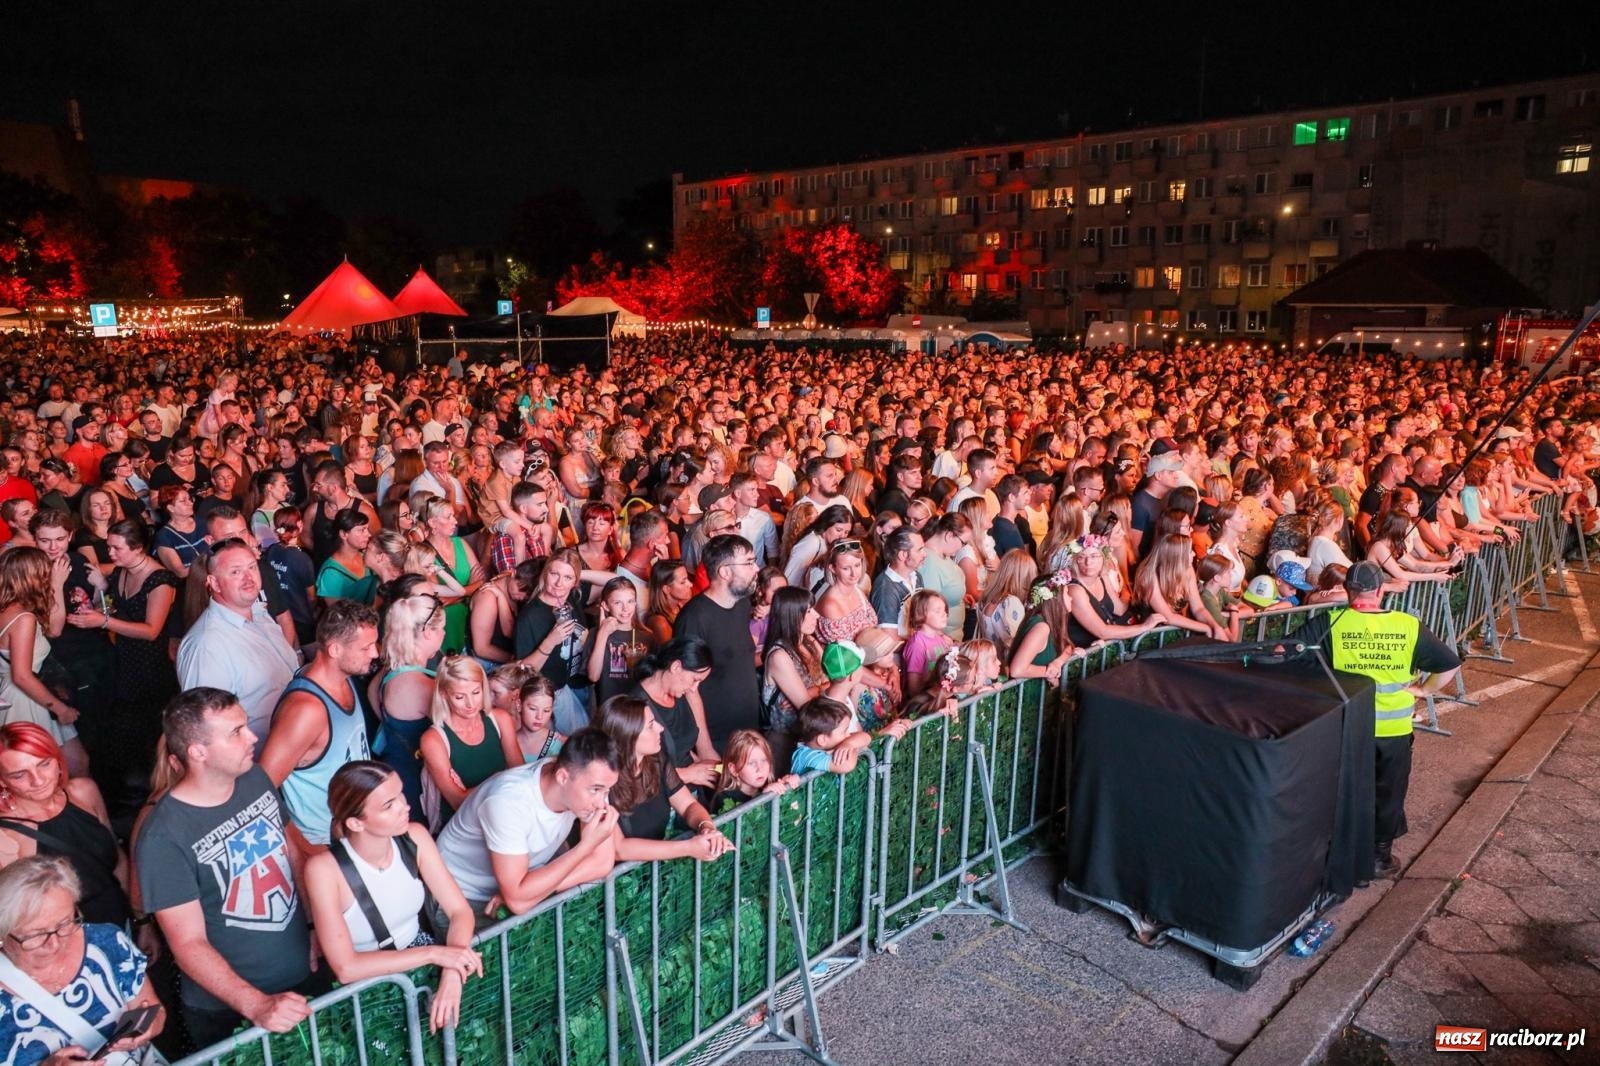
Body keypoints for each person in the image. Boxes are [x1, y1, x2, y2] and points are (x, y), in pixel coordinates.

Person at [136, 687, 321, 1048]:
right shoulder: (162, 837)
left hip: (304, 975)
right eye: (236, 732)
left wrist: (316, 923)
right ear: (197, 752)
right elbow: (188, 944)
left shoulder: (254, 779)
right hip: (231, 1009)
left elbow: (292, 853)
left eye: (245, 726)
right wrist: (257, 1004)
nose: (252, 737)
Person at [1294, 560, 1461, 879]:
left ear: (1347, 590)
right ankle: (1378, 858)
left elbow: (1283, 653)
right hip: (1394, 730)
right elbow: (1449, 666)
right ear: (1382, 591)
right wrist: (1422, 690)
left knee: (1343, 789)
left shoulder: (1331, 623)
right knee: (1388, 790)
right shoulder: (1409, 625)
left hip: (1348, 728)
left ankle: (1336, 853)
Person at [302, 762, 482, 1035]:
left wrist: (452, 973)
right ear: (355, 822)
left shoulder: (415, 836)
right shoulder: (323, 870)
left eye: (400, 795)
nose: (405, 806)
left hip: (426, 958)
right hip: (367, 986)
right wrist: (438, 954)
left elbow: (460, 911)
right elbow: (346, 968)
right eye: (389, 805)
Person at [433, 728, 620, 921]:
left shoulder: (583, 787)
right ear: (562, 777)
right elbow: (517, 901)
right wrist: (585, 847)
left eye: (607, 790)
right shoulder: (509, 802)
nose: (602, 803)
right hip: (461, 896)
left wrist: (536, 891)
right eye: (596, 790)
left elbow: (602, 862)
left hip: (518, 883)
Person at [0, 856, 166, 1064]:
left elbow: (154, 1009)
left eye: (64, 924)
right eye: (36, 934)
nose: (55, 944)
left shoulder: (105, 942)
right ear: (3, 933)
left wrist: (149, 1027)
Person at [65, 521, 179, 801]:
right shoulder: (120, 572)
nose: (110, 553)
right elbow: (119, 610)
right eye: (109, 546)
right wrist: (103, 589)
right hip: (124, 661)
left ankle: (152, 795)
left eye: (116, 548)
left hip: (151, 667)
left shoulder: (160, 580)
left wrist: (102, 621)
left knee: (148, 734)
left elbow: (151, 631)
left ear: (138, 548)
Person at [258, 602, 380, 851]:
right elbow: (261, 788)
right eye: (366, 647)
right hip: (325, 845)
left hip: (353, 833)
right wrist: (304, 850)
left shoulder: (345, 679)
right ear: (335, 649)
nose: (375, 653)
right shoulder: (306, 710)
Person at [0, 723, 128, 928]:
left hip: (119, 921)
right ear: (2, 781)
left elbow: (117, 858)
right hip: (65, 942)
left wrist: (141, 919)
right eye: (19, 774)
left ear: (58, 760)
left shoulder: (84, 792)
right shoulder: (6, 835)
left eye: (44, 764)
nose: (38, 780)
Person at [177, 539, 300, 750]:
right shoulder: (206, 645)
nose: (248, 577)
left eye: (252, 567)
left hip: (292, 750)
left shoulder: (260, 613)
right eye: (235, 572)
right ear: (213, 583)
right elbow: (207, 729)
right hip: (258, 764)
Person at [593, 696, 734, 858]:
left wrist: (706, 827)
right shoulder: (600, 782)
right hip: (623, 880)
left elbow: (688, 805)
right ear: (628, 736)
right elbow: (619, 849)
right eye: (651, 725)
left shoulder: (657, 761)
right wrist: (688, 848)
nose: (660, 728)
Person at [0, 549, 90, 777]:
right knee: (47, 771)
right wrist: (60, 709)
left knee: (77, 762)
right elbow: (21, 675)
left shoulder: (9, 610)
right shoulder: (23, 618)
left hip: (21, 696)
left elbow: (53, 628)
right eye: (44, 572)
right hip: (26, 700)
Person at [673, 535, 761, 751]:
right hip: (717, 739)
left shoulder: (741, 606)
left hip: (748, 731)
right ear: (725, 571)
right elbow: (687, 687)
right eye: (749, 562)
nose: (757, 568)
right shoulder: (695, 617)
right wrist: (705, 749)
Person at [417, 656, 520, 831]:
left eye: (476, 692)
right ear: (444, 695)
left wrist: (472, 790)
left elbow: (520, 777)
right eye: (459, 697)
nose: (470, 704)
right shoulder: (433, 740)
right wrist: (502, 778)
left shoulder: (501, 719)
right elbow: (459, 803)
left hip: (505, 816)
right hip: (462, 827)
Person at [371, 590, 448, 815]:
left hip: (393, 760)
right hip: (412, 775)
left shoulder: (393, 668)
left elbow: (372, 695)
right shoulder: (421, 684)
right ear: (427, 632)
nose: (443, 634)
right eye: (441, 629)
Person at [512, 550, 591, 736]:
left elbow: (614, 580)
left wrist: (578, 573)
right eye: (554, 574)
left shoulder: (572, 597)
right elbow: (523, 670)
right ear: (544, 574)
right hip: (550, 696)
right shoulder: (529, 617)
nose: (559, 583)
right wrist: (550, 641)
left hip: (575, 685)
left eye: (567, 577)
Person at [585, 576, 648, 706]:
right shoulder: (595, 634)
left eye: (630, 601)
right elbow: (593, 676)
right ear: (605, 606)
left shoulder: (647, 638)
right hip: (609, 710)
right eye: (618, 603)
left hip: (638, 708)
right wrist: (602, 634)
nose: (625, 608)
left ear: (636, 603)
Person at [709, 730, 799, 814]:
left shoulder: (769, 785)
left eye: (764, 760)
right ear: (734, 769)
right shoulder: (723, 799)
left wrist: (788, 788)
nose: (760, 768)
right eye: (751, 763)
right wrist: (763, 799)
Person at [513, 675, 565, 763]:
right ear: (519, 705)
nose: (539, 717)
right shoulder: (508, 743)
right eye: (533, 709)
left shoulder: (561, 743)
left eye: (546, 710)